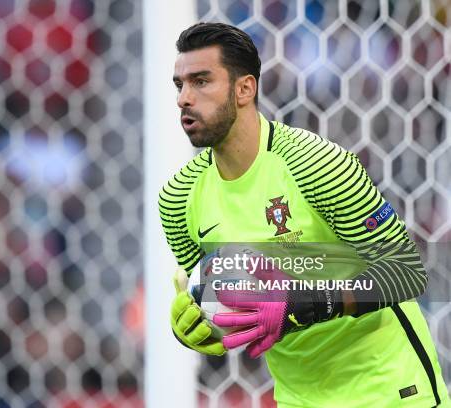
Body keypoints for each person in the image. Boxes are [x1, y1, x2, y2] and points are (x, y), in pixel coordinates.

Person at [159, 22, 449, 407]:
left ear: (245, 89)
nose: (184, 98)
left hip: (388, 389)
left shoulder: (314, 162)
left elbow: (404, 271)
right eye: (180, 85)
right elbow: (227, 304)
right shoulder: (178, 198)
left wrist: (301, 303)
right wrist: (194, 327)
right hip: (299, 397)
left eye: (201, 82)